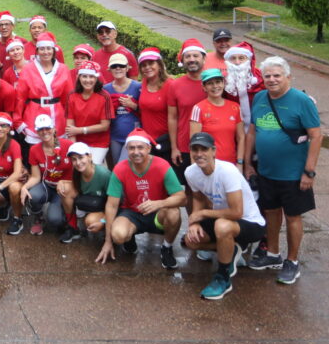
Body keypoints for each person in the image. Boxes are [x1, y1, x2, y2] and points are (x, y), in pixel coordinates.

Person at [245, 56, 321, 285]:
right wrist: (247, 163)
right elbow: (252, 132)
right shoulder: (260, 98)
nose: (272, 79)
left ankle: (292, 261)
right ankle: (272, 254)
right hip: (266, 171)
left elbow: (316, 136)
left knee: (293, 216)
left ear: (288, 77)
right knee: (270, 212)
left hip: (293, 174)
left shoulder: (301, 101)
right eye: (267, 76)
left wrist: (309, 171)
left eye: (277, 75)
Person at [184, 132, 267, 300]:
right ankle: (231, 249)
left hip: (250, 223)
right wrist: (195, 223)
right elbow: (198, 198)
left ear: (213, 151)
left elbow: (237, 212)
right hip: (222, 219)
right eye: (195, 149)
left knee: (222, 226)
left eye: (204, 149)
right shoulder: (190, 172)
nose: (199, 154)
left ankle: (223, 278)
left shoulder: (228, 171)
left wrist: (202, 213)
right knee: (190, 240)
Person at [95, 128, 186, 269]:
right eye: (131, 148)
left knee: (174, 212)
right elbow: (111, 205)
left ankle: (167, 248)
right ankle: (129, 238)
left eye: (140, 147)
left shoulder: (162, 165)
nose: (136, 152)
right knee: (118, 234)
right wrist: (108, 241)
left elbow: (182, 198)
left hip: (157, 213)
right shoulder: (120, 168)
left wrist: (159, 203)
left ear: (148, 148)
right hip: (132, 213)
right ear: (127, 149)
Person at [15, 32, 71, 152]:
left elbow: (68, 98)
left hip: (57, 115)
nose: (46, 52)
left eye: (48, 48)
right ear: (37, 50)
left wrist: (69, 120)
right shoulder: (28, 69)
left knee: (58, 150)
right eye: (42, 49)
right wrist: (18, 121)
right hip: (34, 114)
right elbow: (20, 97)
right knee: (36, 151)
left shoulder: (63, 69)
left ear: (54, 50)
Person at [167, 38, 209, 183]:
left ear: (203, 58)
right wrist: (174, 147)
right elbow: (172, 117)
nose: (192, 59)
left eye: (196, 56)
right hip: (185, 145)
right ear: (183, 60)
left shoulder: (214, 83)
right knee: (191, 187)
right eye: (188, 56)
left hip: (212, 144)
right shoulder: (175, 85)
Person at [25, 115, 74, 236]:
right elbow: (36, 177)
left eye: (47, 128)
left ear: (54, 129)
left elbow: (78, 171)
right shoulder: (34, 150)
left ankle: (66, 219)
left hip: (63, 188)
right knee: (32, 195)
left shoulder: (68, 145)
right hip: (46, 185)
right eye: (40, 129)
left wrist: (67, 183)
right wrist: (24, 187)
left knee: (55, 219)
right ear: (37, 132)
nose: (44, 131)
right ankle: (39, 218)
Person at [190, 68, 245, 167]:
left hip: (231, 165)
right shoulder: (198, 108)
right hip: (208, 166)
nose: (215, 86)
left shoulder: (235, 107)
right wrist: (195, 168)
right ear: (204, 87)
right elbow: (193, 143)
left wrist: (240, 163)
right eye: (210, 83)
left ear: (223, 83)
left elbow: (241, 137)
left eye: (218, 82)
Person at [65, 61, 112, 166]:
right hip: (79, 141)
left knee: (90, 168)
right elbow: (70, 128)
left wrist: (80, 130)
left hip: (99, 143)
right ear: (79, 77)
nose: (88, 80)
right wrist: (74, 149)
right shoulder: (71, 95)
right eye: (84, 76)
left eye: (91, 77)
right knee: (77, 166)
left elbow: (104, 126)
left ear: (96, 78)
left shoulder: (104, 96)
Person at [68, 141, 110, 243]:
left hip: (105, 209)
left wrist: (104, 220)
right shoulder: (77, 172)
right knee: (65, 189)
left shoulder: (104, 175)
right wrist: (61, 183)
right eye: (74, 159)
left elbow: (115, 203)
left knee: (90, 221)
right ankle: (72, 224)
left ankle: (108, 230)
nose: (78, 162)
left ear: (90, 156)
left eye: (81, 157)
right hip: (90, 203)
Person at [103, 53, 141, 165]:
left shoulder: (137, 86)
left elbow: (147, 111)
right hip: (115, 136)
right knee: (117, 165)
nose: (118, 68)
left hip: (133, 135)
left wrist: (133, 105)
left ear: (127, 68)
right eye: (114, 66)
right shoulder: (106, 89)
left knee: (124, 165)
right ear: (110, 69)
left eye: (121, 65)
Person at [136, 47, 172, 164]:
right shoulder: (144, 82)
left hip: (166, 141)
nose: (147, 67)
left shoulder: (170, 85)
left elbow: (176, 116)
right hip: (148, 140)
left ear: (159, 65)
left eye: (151, 63)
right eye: (143, 65)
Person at [222, 43, 262, 128]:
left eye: (241, 58)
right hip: (234, 125)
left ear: (249, 60)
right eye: (233, 58)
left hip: (259, 125)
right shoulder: (225, 80)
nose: (237, 62)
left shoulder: (260, 77)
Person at [0, 11, 27, 75]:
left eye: (7, 24)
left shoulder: (22, 42)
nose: (4, 27)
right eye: (1, 25)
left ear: (13, 26)